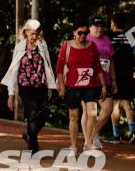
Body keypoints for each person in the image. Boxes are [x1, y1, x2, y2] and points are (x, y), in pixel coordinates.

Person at [2, 19, 57, 154]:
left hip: (41, 85)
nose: (34, 36)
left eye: (37, 33)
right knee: (32, 114)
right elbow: (14, 70)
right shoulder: (20, 46)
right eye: (32, 33)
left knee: (43, 116)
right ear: (26, 32)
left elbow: (48, 66)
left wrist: (50, 86)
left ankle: (29, 135)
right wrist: (11, 94)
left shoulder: (42, 45)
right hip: (25, 85)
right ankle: (33, 147)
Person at [56, 20, 107, 154]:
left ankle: (88, 143)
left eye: (85, 33)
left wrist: (103, 86)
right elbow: (59, 69)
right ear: (74, 33)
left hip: (89, 86)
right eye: (80, 33)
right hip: (72, 86)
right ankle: (73, 145)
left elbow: (97, 66)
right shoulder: (67, 46)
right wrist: (61, 86)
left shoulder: (92, 46)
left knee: (92, 113)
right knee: (74, 117)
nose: (83, 36)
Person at [87, 17, 117, 149]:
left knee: (108, 109)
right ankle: (89, 141)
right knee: (90, 113)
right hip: (91, 81)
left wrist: (114, 79)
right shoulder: (86, 40)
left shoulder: (107, 40)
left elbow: (110, 61)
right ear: (90, 27)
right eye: (95, 26)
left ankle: (93, 134)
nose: (99, 28)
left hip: (106, 80)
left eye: (101, 26)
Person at [109, 14, 135, 143]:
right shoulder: (131, 36)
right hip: (128, 74)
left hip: (113, 75)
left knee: (114, 105)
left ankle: (116, 135)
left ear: (113, 23)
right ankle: (133, 134)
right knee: (127, 104)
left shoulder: (109, 38)